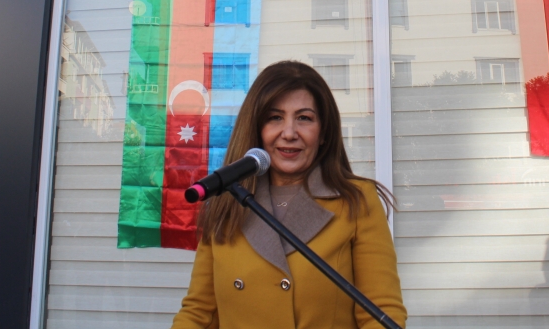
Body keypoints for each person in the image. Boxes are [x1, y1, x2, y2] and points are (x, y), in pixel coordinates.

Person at [171, 60, 406, 329]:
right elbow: (199, 314)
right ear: (257, 129)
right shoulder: (226, 203)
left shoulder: (356, 202)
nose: (289, 133)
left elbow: (381, 313)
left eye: (304, 118)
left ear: (324, 132)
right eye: (275, 118)